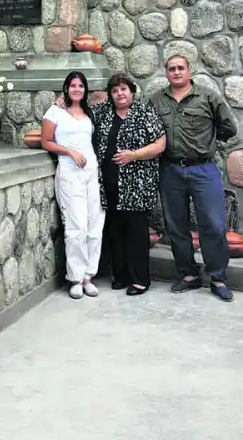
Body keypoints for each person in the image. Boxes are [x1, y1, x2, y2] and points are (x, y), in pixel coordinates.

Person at [56, 73, 166, 296]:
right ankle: (120, 275)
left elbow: (160, 144)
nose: (119, 94)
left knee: (136, 232)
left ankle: (140, 280)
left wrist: (134, 155)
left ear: (132, 91)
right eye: (115, 91)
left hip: (136, 185)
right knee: (114, 231)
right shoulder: (102, 112)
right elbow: (78, 112)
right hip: (107, 184)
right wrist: (61, 102)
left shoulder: (145, 112)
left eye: (123, 89)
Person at [149, 55, 238, 302]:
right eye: (171, 69)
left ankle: (217, 278)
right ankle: (188, 274)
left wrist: (207, 143)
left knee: (213, 224)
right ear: (166, 72)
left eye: (181, 68)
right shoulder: (156, 100)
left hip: (203, 170)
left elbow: (229, 127)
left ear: (190, 71)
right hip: (170, 170)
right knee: (176, 226)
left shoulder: (208, 97)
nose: (176, 72)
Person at [42, 71, 104, 300]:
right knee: (76, 227)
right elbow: (46, 141)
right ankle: (76, 278)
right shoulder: (55, 111)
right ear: (66, 88)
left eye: (81, 86)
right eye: (73, 85)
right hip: (70, 173)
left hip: (91, 172)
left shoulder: (89, 112)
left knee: (95, 225)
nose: (77, 89)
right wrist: (69, 152)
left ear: (85, 89)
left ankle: (89, 276)